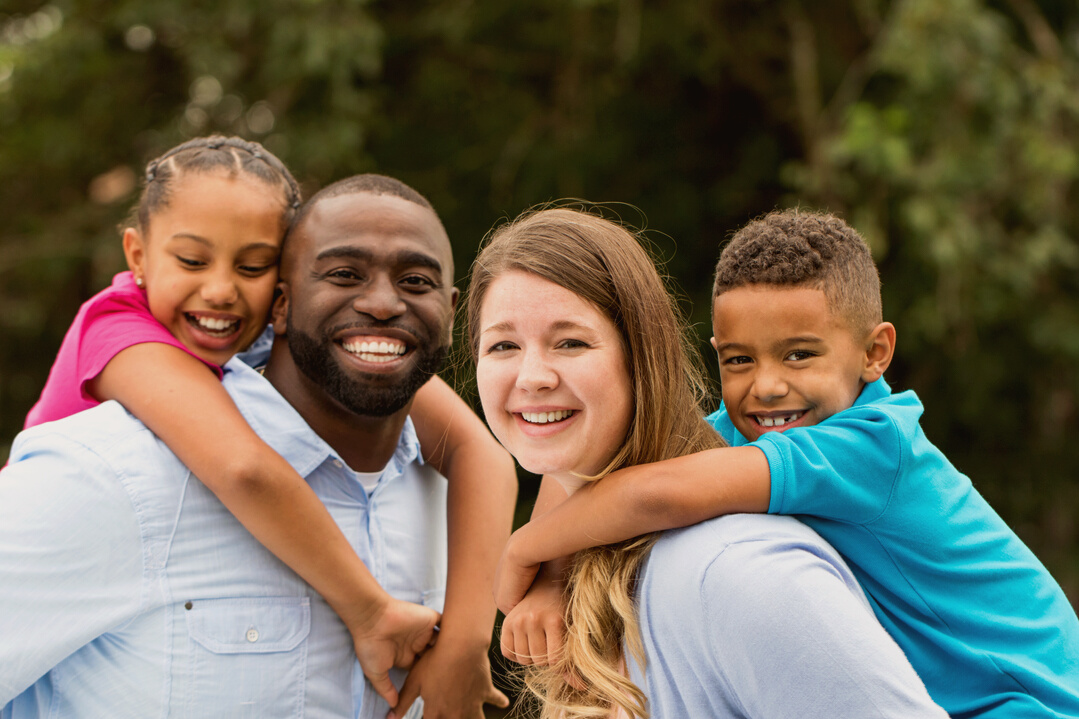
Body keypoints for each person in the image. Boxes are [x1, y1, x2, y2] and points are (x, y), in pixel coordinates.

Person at [494, 209, 1079, 718]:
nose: (765, 387)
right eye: (739, 360)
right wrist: (551, 580)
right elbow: (602, 472)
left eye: (799, 355)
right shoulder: (743, 432)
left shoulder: (873, 446)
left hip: (1028, 703)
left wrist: (527, 549)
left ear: (875, 353)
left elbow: (655, 495)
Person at [20, 137, 513, 707]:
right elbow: (243, 466)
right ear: (136, 256)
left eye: (251, 265)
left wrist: (465, 641)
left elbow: (482, 454)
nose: (222, 290)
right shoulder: (122, 347)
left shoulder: (309, 359)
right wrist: (369, 609)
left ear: (277, 291)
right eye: (191, 260)